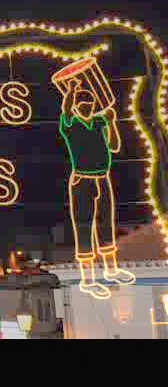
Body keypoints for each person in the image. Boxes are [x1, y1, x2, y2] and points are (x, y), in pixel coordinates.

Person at [59, 79, 135, 300]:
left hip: (102, 178)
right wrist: (71, 91)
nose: (88, 109)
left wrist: (111, 123)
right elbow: (65, 110)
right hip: (82, 180)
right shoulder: (71, 125)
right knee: (84, 225)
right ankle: (88, 279)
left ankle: (111, 269)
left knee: (106, 223)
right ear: (77, 106)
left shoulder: (99, 122)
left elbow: (114, 146)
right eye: (83, 105)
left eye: (90, 105)